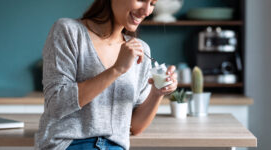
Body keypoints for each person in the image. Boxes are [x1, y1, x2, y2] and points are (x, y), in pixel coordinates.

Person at [35, 0, 178, 149]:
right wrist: (116, 70)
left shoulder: (140, 50)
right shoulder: (68, 31)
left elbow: (135, 127)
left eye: (153, 3)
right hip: (69, 143)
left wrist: (157, 93)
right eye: (141, 0)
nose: (147, 11)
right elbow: (56, 105)